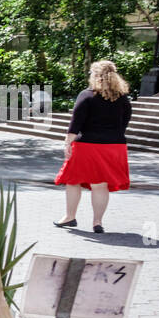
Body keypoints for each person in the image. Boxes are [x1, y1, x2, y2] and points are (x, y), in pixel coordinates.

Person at [54, 60, 132, 233]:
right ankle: (97, 222)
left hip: (88, 146)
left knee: (73, 181)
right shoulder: (123, 98)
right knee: (100, 185)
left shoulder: (87, 95)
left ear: (95, 76)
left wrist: (68, 143)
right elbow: (124, 122)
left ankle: (70, 217)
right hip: (114, 146)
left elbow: (76, 122)